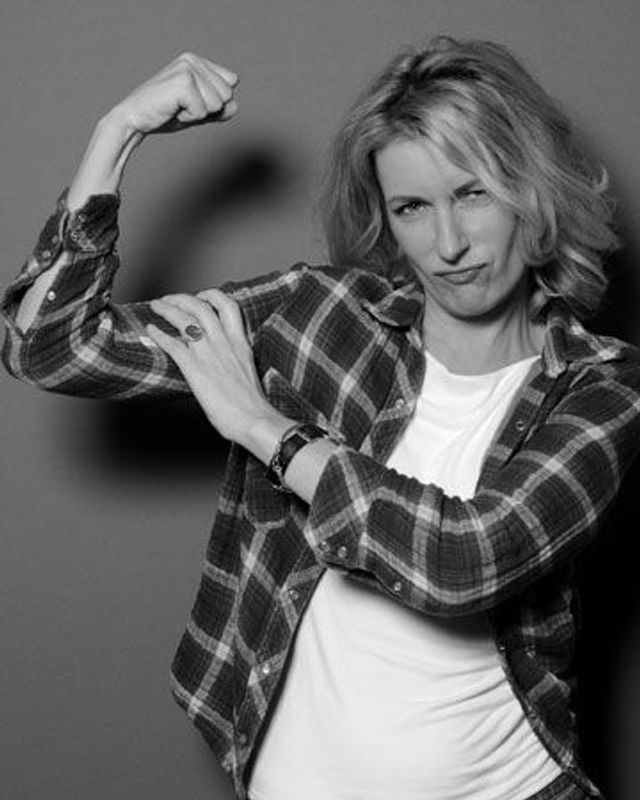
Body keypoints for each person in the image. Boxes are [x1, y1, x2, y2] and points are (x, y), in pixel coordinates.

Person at [2, 35, 640, 800]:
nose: (448, 244)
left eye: (473, 194)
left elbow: (463, 562)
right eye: (412, 207)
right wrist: (117, 135)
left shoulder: (601, 386)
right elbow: (51, 347)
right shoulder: (321, 314)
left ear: (533, 190)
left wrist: (262, 426)